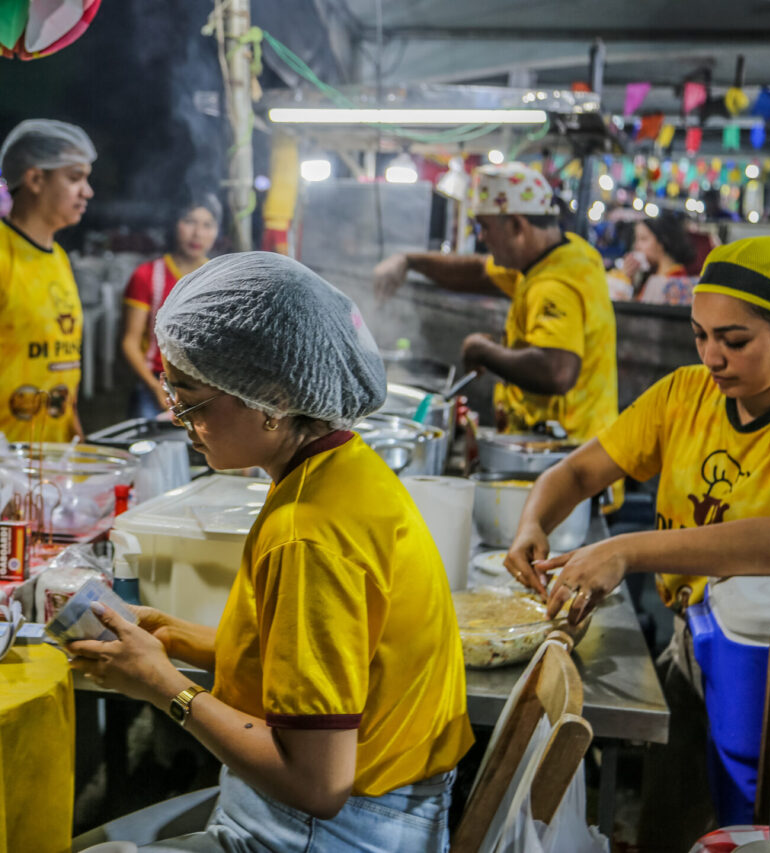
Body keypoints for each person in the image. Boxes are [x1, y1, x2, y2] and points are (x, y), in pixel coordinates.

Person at [68, 252, 473, 851]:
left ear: (273, 398)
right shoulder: (344, 466)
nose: (177, 417)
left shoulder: (307, 532)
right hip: (384, 807)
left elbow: (317, 784)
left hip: (332, 829)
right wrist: (172, 637)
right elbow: (305, 661)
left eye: (190, 399)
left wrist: (163, 686)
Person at [505, 236, 770, 849]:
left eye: (734, 341)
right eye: (700, 335)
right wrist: (531, 525)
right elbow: (576, 472)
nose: (711, 357)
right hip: (695, 643)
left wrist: (624, 551)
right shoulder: (684, 394)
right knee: (669, 824)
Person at [372, 162, 617, 445]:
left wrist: (482, 350)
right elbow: (478, 271)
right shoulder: (564, 254)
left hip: (567, 451)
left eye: (484, 226)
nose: (481, 237)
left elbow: (557, 372)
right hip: (557, 444)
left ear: (516, 225)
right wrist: (408, 261)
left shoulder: (554, 285)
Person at [0, 119, 96, 491]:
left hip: (52, 459)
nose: (87, 191)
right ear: (36, 179)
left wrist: (74, 430)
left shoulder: (59, 258)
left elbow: (62, 357)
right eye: (74, 178)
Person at [120, 195, 221, 420]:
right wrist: (155, 387)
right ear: (174, 224)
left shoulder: (219, 280)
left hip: (207, 386)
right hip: (156, 382)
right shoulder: (147, 276)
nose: (197, 233)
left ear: (216, 231)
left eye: (207, 225)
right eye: (189, 221)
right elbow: (130, 342)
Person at [607, 214, 697, 303]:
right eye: (636, 239)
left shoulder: (674, 280)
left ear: (662, 242)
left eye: (643, 239)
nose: (636, 246)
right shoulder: (651, 277)